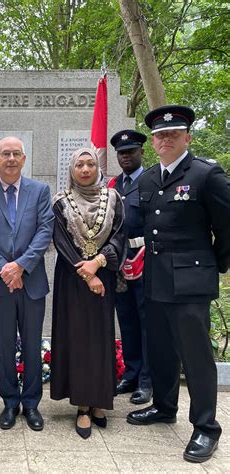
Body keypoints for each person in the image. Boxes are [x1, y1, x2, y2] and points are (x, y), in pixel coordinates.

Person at [127, 105, 230, 463]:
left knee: (196, 356)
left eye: (173, 133)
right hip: (155, 279)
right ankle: (164, 406)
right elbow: (139, 229)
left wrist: (214, 265)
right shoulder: (148, 179)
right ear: (154, 142)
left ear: (187, 137)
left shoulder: (206, 175)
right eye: (160, 135)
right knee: (160, 350)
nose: (165, 139)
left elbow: (227, 227)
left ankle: (206, 428)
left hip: (191, 282)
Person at [0, 136, 54, 431]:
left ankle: (31, 404)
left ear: (23, 159)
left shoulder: (40, 191)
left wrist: (20, 266)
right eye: (5, 153)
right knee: (4, 347)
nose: (10, 158)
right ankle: (9, 401)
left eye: (15, 153)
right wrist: (4, 269)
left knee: (33, 345)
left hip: (32, 282)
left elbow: (45, 230)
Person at [50, 148, 126, 439]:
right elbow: (61, 241)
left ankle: (100, 402)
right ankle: (82, 406)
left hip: (103, 275)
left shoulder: (114, 199)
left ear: (97, 168)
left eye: (90, 163)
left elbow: (120, 234)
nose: (84, 169)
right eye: (79, 164)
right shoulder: (60, 202)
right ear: (71, 169)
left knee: (101, 338)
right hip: (72, 278)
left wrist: (98, 263)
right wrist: (86, 273)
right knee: (78, 338)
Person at [109, 130, 152, 405]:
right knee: (127, 320)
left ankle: (147, 381)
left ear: (141, 153)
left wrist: (144, 252)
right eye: (121, 153)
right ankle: (132, 373)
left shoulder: (152, 180)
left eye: (131, 151)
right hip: (120, 262)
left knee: (148, 323)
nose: (126, 156)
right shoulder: (114, 185)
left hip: (147, 260)